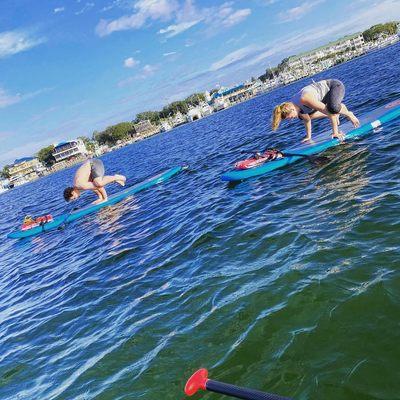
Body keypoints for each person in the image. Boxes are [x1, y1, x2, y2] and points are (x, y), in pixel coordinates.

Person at [272, 79, 360, 142]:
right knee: (310, 115)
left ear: (291, 109)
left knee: (332, 109)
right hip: (324, 98)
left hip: (334, 87)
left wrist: (335, 133)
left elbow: (329, 112)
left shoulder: (304, 99)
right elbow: (307, 120)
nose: (292, 119)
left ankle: (348, 113)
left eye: (290, 117)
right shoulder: (296, 107)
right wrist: (308, 137)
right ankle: (338, 110)